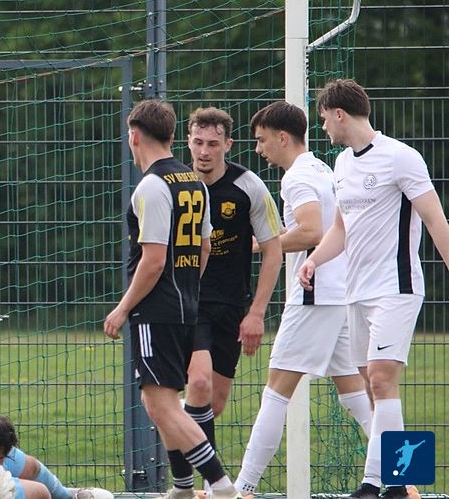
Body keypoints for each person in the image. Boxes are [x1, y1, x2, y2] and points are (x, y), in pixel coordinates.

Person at [300, 79, 449, 499]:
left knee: (382, 379)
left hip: (396, 288)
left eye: (324, 118)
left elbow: (436, 220)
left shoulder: (401, 157)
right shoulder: (342, 164)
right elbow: (340, 228)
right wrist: (314, 260)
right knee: (372, 386)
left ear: (339, 114)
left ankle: (375, 484)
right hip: (356, 291)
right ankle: (402, 484)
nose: (323, 127)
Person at [231, 101, 372, 497]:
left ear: (282, 138)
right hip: (342, 292)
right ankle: (405, 479)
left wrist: (260, 244)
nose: (258, 149)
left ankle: (242, 488)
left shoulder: (296, 177)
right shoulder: (322, 169)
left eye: (261, 140)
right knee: (360, 395)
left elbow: (312, 231)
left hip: (315, 295)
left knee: (276, 391)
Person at [102, 100, 240, 499]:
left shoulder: (151, 186)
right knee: (157, 403)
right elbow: (205, 247)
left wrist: (123, 308)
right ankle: (181, 489)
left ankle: (222, 487)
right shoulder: (193, 182)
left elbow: (154, 259)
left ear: (134, 136)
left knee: (162, 406)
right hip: (186, 307)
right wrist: (187, 287)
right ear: (175, 136)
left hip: (156, 310)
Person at [168, 107, 283, 495]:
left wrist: (256, 313)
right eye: (198, 142)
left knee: (211, 404)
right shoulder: (176, 186)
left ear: (228, 145)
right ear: (187, 142)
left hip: (232, 308)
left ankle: (168, 417)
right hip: (189, 304)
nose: (204, 151)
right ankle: (206, 484)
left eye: (213, 144)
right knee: (199, 383)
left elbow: (273, 249)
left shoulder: (249, 186)